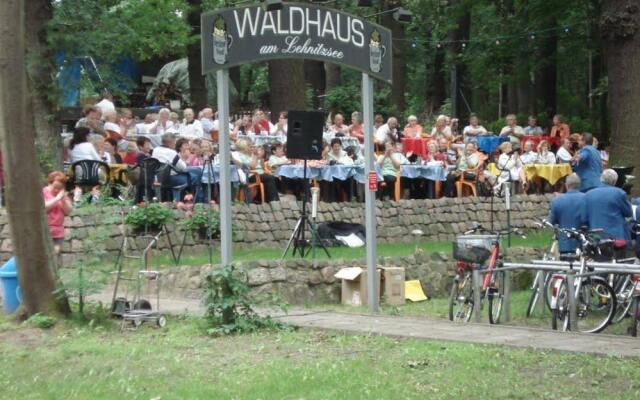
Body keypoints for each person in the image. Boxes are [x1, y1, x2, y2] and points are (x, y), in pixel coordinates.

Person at [585, 169, 633, 243]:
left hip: (595, 237)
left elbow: (585, 217)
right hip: (617, 237)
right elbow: (628, 213)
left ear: (601, 179)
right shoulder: (619, 193)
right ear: (615, 181)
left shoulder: (588, 194)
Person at [151, 133, 202, 200]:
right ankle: (197, 199)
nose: (175, 144)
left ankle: (193, 197)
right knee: (196, 175)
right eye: (174, 141)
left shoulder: (155, 150)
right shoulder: (171, 152)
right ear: (171, 142)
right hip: (170, 178)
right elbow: (183, 167)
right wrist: (183, 159)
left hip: (157, 178)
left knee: (197, 170)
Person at [549, 173, 587, 254]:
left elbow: (552, 222)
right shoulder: (587, 199)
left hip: (564, 244)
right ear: (579, 185)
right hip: (583, 243)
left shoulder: (557, 201)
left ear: (566, 185)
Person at [43, 171, 73, 258]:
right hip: (45, 228)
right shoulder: (43, 192)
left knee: (55, 252)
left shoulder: (62, 194)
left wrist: (63, 200)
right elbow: (43, 208)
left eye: (60, 188)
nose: (57, 190)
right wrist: (57, 199)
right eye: (55, 187)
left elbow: (68, 211)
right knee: (46, 253)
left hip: (58, 230)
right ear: (50, 183)